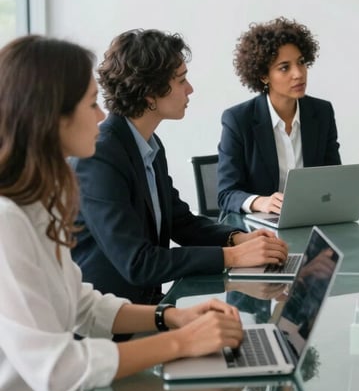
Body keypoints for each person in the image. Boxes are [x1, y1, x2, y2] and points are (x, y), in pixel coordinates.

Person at [0, 35, 245, 391]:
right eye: (91, 103)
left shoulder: (36, 203)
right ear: (50, 117)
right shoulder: (7, 219)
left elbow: (81, 304)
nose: (102, 116)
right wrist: (180, 341)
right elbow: (56, 369)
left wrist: (169, 319)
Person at [72, 29, 289, 307]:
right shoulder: (100, 156)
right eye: (181, 80)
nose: (190, 89)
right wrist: (232, 257)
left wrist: (237, 238)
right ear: (150, 93)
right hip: (109, 323)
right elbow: (139, 263)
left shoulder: (149, 144)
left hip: (147, 306)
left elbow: (182, 223)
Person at [217, 17, 341, 215]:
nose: (298, 74)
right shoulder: (238, 120)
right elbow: (226, 194)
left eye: (301, 62)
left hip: (310, 220)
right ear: (264, 76)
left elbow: (334, 180)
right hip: (258, 230)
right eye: (285, 67)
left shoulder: (321, 112)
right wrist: (260, 202)